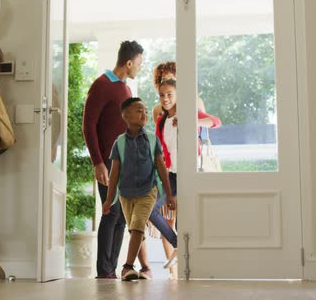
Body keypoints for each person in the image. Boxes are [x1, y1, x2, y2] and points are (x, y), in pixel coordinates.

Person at [153, 61, 222, 279]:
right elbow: (160, 151)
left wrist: (191, 120)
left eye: (170, 93)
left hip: (190, 173)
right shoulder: (160, 118)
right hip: (171, 175)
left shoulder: (190, 108)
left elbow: (215, 122)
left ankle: (189, 271)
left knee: (188, 219)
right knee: (150, 210)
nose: (165, 98)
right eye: (162, 93)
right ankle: (177, 245)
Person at [82, 41, 143, 279]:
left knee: (121, 217)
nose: (139, 68)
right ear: (128, 63)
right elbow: (88, 125)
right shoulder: (102, 85)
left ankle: (111, 270)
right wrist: (98, 162)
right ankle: (104, 271)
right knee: (112, 213)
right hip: (107, 162)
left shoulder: (126, 90)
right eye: (138, 63)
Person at [102, 97, 175, 281]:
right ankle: (146, 268)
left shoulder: (152, 139)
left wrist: (168, 196)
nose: (144, 113)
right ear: (125, 116)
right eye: (138, 110)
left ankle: (127, 267)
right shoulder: (119, 143)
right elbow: (114, 174)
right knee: (136, 231)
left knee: (138, 225)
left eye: (145, 110)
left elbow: (161, 168)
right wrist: (109, 199)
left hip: (148, 191)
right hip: (126, 194)